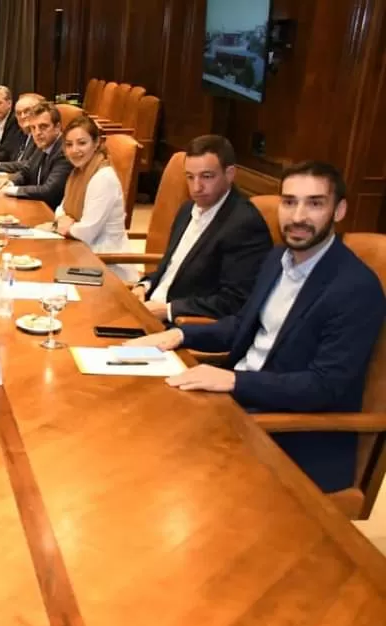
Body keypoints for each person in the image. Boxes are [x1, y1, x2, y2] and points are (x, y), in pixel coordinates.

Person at [128, 161, 385, 494]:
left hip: (293, 435)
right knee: (135, 413)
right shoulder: (277, 259)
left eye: (315, 203)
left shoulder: (355, 287)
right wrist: (179, 334)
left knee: (157, 463)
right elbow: (241, 325)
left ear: (339, 210)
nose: (298, 216)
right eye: (289, 201)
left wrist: (233, 380)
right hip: (238, 402)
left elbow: (323, 386)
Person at [132, 135, 273, 322]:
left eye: (206, 177)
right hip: (149, 310)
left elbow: (235, 301)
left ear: (230, 174)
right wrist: (145, 285)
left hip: (182, 327)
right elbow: (169, 269)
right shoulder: (186, 209)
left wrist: (168, 310)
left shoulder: (244, 224)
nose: (196, 187)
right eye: (190, 177)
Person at [52, 115, 135, 282]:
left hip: (105, 265)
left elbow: (86, 232)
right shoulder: (78, 172)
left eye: (82, 143)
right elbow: (60, 208)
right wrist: (63, 220)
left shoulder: (103, 177)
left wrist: (68, 226)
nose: (75, 150)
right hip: (80, 252)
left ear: (96, 143)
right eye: (69, 145)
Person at [0, 102, 72, 210]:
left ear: (57, 127)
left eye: (43, 127)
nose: (37, 133)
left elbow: (49, 191)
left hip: (50, 214)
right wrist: (10, 182)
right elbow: (26, 172)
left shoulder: (64, 152)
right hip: (35, 206)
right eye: (33, 128)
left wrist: (10, 190)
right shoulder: (42, 145)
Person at [0, 93, 44, 173]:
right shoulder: (22, 132)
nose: (22, 116)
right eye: (19, 113)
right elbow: (8, 151)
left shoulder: (41, 137)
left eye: (27, 111)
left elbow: (29, 165)